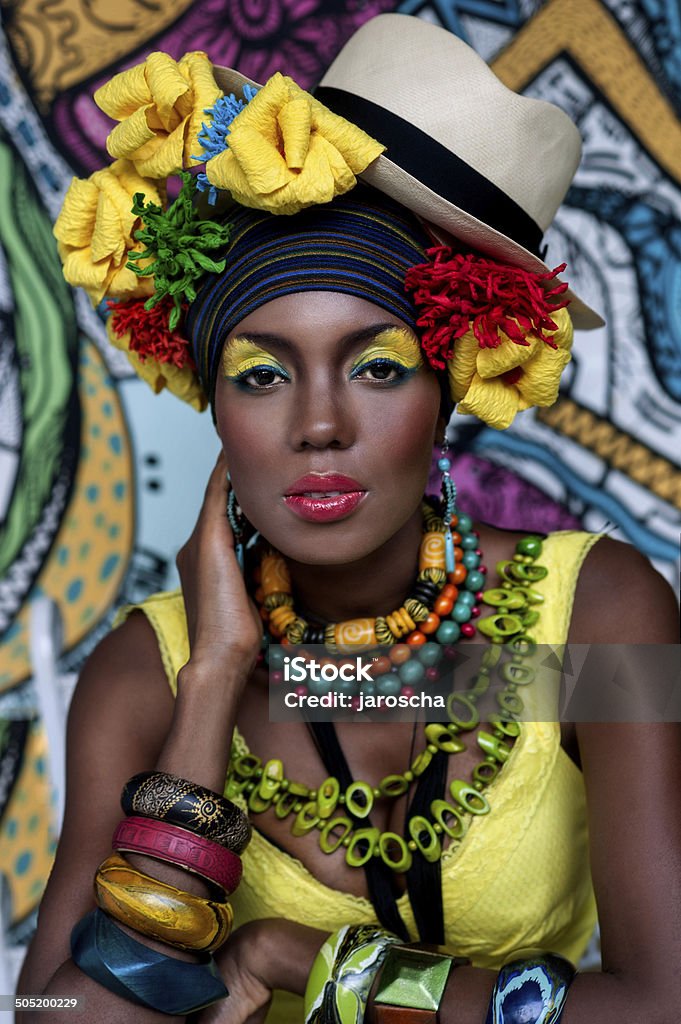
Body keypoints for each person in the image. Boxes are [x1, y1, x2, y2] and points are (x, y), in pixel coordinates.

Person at [17, 13, 681, 1024]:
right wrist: (213, 684)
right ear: (216, 409)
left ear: (449, 391)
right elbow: (60, 1019)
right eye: (261, 374)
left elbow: (668, 1001)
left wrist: (312, 960)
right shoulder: (143, 672)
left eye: (378, 367)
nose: (319, 424)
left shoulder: (594, 619)